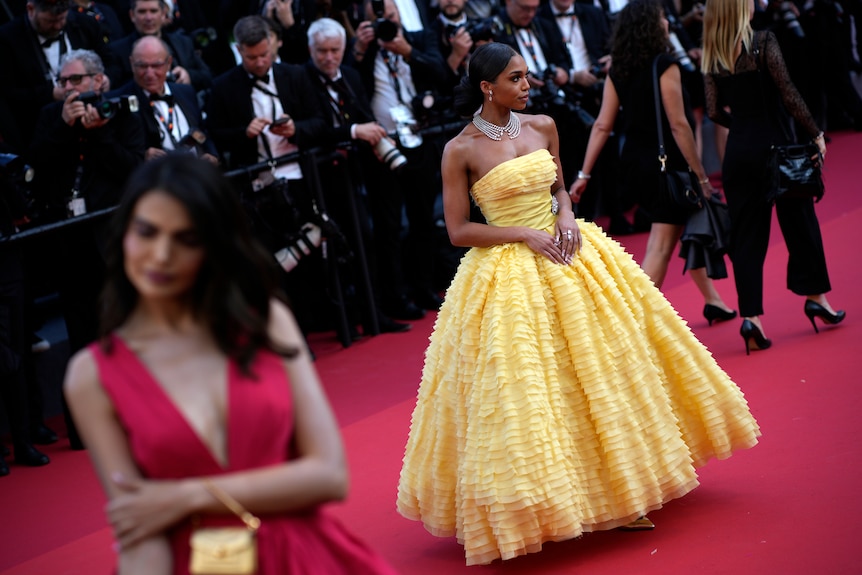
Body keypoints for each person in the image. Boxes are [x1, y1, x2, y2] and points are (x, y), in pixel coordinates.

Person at [395, 42, 761, 566]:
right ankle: (545, 503)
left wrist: (564, 216)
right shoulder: (460, 149)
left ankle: (626, 490)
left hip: (570, 255)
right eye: (517, 79)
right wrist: (523, 233)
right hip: (507, 273)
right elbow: (457, 230)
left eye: (527, 76)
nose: (527, 86)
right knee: (529, 389)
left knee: (606, 371)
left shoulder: (543, 125)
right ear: (487, 87)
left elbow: (561, 189)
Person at [63, 155, 399, 574]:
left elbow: (329, 475)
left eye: (185, 238)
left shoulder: (267, 322)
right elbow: (139, 533)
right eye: (146, 232)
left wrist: (187, 497)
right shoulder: (91, 376)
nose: (160, 255)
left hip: (303, 558)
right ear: (123, 233)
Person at [571, 0, 737, 325]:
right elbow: (679, 124)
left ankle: (713, 300)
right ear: (652, 24)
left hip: (634, 163)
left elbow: (603, 124)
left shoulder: (618, 66)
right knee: (661, 244)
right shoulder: (665, 64)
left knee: (687, 224)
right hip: (666, 166)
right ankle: (634, 322)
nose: (667, 22)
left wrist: (584, 173)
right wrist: (701, 175)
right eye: (662, 17)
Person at [701, 0, 845, 353]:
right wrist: (815, 133)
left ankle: (752, 319)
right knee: (801, 223)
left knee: (747, 237)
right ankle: (817, 299)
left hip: (739, 154)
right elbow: (789, 93)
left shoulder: (712, 53)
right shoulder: (762, 41)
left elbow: (712, 109)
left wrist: (743, 130)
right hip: (779, 148)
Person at [114, 35, 218, 163]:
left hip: (195, 175)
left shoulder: (186, 91)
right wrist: (142, 156)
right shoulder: (119, 100)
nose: (149, 74)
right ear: (131, 63)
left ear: (169, 63)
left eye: (156, 65)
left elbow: (201, 132)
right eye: (142, 66)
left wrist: (211, 154)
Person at [104, 0, 212, 92]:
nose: (148, 17)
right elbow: (114, 87)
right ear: (132, 15)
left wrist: (188, 75)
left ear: (164, 14)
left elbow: (208, 76)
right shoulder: (117, 51)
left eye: (153, 11)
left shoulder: (183, 43)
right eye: (142, 12)